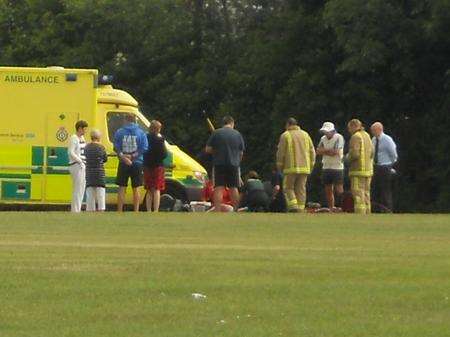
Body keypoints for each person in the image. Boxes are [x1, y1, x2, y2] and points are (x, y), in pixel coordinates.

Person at [205, 115, 245, 211]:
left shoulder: (216, 133)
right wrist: (237, 161)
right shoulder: (237, 134)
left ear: (223, 123)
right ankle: (236, 209)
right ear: (232, 123)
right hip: (234, 164)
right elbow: (241, 152)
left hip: (219, 163)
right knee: (233, 188)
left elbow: (208, 149)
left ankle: (217, 209)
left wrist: (217, 150)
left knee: (218, 187)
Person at [276, 117, 316, 212]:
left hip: (290, 168)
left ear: (288, 124)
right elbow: (312, 152)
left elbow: (281, 152)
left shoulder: (285, 135)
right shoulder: (306, 135)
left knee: (288, 187)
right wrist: (311, 165)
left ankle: (293, 207)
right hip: (305, 168)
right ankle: (301, 208)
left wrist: (279, 166)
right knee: (301, 189)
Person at [114, 114, 148, 212]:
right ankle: (136, 210)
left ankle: (119, 210)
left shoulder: (120, 132)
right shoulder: (141, 133)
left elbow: (116, 146)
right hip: (137, 162)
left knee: (122, 187)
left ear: (125, 120)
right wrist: (133, 156)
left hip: (123, 162)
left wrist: (123, 156)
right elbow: (144, 147)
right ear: (135, 120)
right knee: (136, 187)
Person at [346, 119, 374, 214]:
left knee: (358, 192)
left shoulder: (355, 137)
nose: (349, 130)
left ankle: (360, 213)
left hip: (357, 170)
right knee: (366, 193)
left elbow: (355, 154)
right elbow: (372, 152)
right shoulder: (367, 135)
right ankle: (367, 211)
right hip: (368, 170)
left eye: (349, 128)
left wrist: (347, 158)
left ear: (354, 126)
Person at [316, 122, 345, 210]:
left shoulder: (339, 137)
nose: (326, 133)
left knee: (339, 189)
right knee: (328, 189)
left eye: (327, 131)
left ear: (332, 131)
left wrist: (325, 151)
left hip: (337, 167)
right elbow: (318, 151)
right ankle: (331, 207)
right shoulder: (323, 138)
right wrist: (328, 151)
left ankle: (343, 206)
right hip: (326, 166)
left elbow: (335, 152)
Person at [370, 122, 398, 212]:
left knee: (385, 189)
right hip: (376, 166)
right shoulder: (373, 139)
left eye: (374, 130)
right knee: (375, 188)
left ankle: (388, 209)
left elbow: (393, 153)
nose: (372, 132)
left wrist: (391, 164)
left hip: (385, 166)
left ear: (379, 129)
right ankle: (377, 208)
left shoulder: (387, 139)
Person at [143, 120, 168, 213]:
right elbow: (164, 154)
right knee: (157, 189)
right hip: (158, 166)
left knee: (149, 189)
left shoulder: (145, 138)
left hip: (147, 165)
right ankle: (156, 210)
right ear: (158, 129)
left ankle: (149, 209)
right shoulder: (160, 140)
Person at [84, 129, 108, 212]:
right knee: (100, 194)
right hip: (99, 173)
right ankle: (101, 210)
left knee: (90, 194)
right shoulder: (101, 147)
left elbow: (86, 157)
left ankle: (90, 210)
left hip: (89, 173)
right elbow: (105, 159)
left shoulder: (86, 147)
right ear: (99, 138)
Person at [68, 120, 88, 213]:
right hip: (76, 165)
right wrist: (80, 161)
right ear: (79, 128)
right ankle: (75, 210)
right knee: (77, 188)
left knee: (81, 188)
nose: (85, 131)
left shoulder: (82, 138)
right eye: (84, 129)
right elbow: (71, 152)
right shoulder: (74, 138)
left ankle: (78, 209)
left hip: (82, 165)